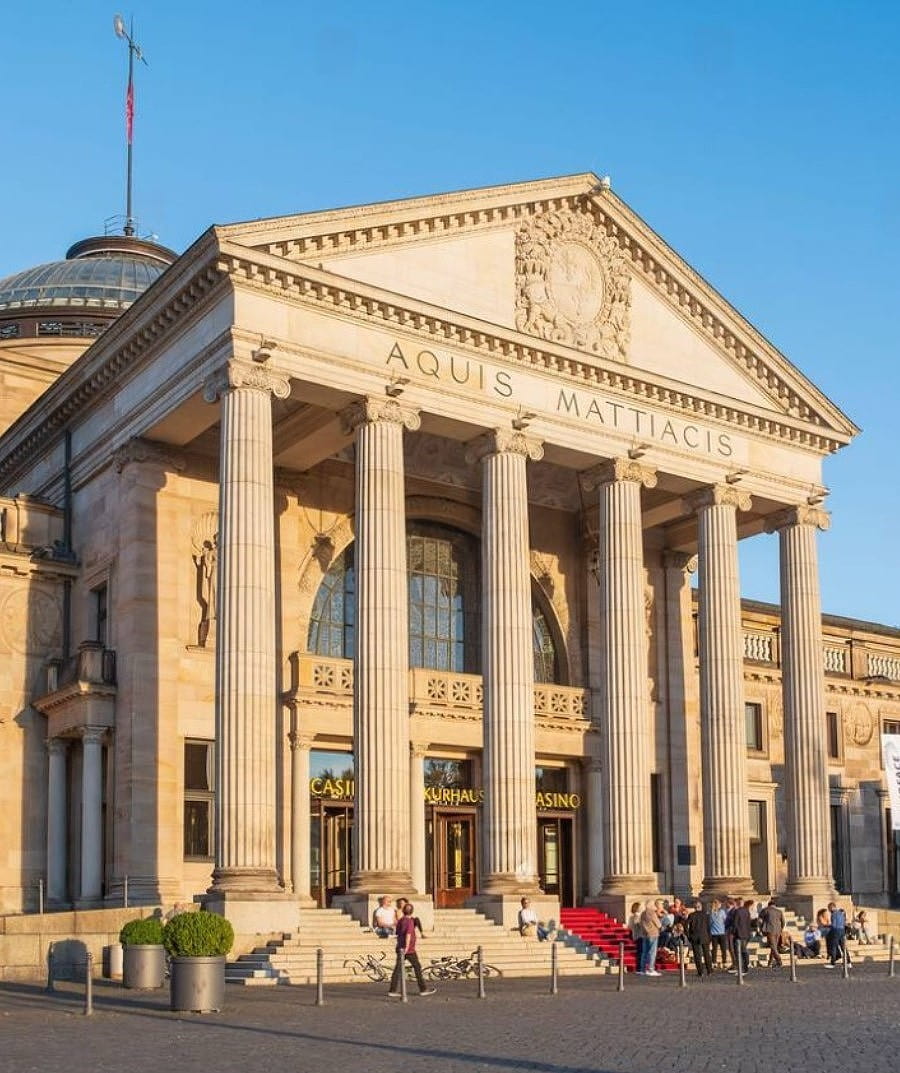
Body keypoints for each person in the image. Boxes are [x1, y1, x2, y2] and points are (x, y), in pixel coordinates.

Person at [388, 902, 436, 997]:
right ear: (412, 911)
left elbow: (397, 933)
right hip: (409, 950)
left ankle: (392, 990)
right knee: (417, 967)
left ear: (403, 911)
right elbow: (408, 935)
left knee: (397, 969)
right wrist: (406, 947)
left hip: (400, 947)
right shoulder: (409, 922)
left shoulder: (401, 920)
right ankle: (423, 989)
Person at [685, 900, 713, 978]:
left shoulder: (692, 915)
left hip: (695, 937)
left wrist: (689, 936)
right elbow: (709, 927)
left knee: (697, 955)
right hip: (705, 936)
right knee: (707, 954)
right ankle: (709, 970)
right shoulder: (706, 915)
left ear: (694, 907)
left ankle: (700, 972)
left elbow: (686, 926)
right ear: (701, 906)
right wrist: (710, 937)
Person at [728, 899, 753, 974]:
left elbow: (735, 923)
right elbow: (749, 922)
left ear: (737, 904)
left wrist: (732, 932)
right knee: (744, 951)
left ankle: (741, 968)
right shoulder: (747, 911)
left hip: (739, 935)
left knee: (739, 952)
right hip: (746, 934)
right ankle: (745, 967)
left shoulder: (737, 911)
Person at [639, 899, 662, 976]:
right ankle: (650, 969)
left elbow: (641, 924)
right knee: (652, 952)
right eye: (653, 905)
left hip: (645, 934)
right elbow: (658, 924)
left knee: (644, 952)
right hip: (653, 933)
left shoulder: (642, 913)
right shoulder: (652, 913)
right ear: (651, 905)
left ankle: (643, 969)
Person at [760, 897, 785, 969]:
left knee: (773, 946)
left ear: (768, 905)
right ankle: (770, 962)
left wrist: (761, 928)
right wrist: (780, 929)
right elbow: (783, 922)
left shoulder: (765, 910)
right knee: (774, 946)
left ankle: (779, 961)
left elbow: (760, 920)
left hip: (769, 930)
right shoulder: (779, 911)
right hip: (778, 931)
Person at [826, 901, 848, 968]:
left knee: (834, 947)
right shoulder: (841, 913)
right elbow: (844, 922)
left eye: (829, 908)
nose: (829, 910)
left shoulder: (833, 914)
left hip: (836, 931)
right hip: (842, 930)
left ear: (832, 907)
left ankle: (832, 963)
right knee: (843, 947)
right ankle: (848, 962)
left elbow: (834, 925)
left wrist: (828, 926)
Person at [708, 898, 728, 969]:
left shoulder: (722, 912)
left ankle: (724, 961)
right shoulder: (711, 913)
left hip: (721, 932)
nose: (719, 905)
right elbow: (710, 922)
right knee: (714, 949)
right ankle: (714, 962)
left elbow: (725, 920)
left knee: (723, 949)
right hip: (714, 933)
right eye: (718, 904)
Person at [627, 900, 645, 976]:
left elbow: (630, 927)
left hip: (636, 935)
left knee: (639, 952)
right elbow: (638, 925)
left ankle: (640, 967)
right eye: (640, 907)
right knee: (641, 952)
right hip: (640, 935)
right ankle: (640, 968)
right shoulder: (637, 916)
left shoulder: (632, 917)